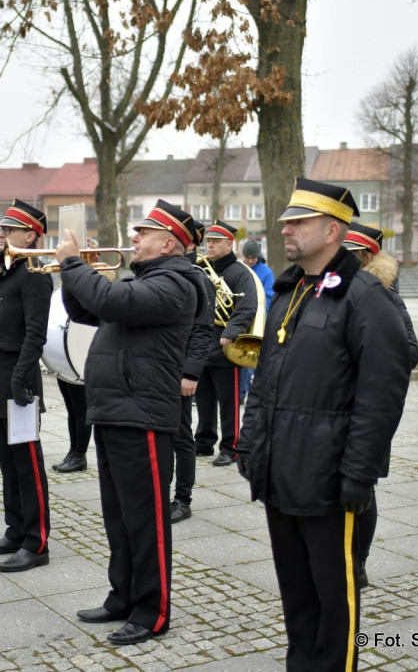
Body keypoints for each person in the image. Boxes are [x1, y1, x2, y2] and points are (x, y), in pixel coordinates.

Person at [235, 177, 411, 672]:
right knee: (296, 594)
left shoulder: (365, 297)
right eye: (286, 221)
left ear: (333, 230)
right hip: (280, 472)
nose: (286, 229)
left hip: (330, 478)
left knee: (337, 600)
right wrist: (252, 446)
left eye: (299, 222)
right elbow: (265, 381)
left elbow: (382, 396)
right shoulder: (292, 290)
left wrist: (359, 474)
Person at [57, 199, 209, 646]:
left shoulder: (179, 282)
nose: (134, 239)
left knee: (146, 520)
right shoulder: (144, 280)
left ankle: (152, 610)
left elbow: (111, 300)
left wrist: (71, 262)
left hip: (142, 412)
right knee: (119, 517)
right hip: (114, 408)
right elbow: (87, 310)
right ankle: (122, 596)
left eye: (143, 233)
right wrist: (76, 271)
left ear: (170, 243)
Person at [0, 199, 53, 572]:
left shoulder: (34, 272)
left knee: (28, 465)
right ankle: (15, 529)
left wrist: (21, 376)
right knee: (7, 462)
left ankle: (37, 543)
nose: (0, 234)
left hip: (19, 379)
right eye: (1, 229)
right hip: (0, 377)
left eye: (9, 230)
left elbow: (36, 332)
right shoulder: (7, 270)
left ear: (31, 234)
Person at [343, 221, 418, 587]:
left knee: (362, 490)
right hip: (328, 410)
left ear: (365, 256)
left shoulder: (384, 295)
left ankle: (358, 562)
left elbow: (409, 351)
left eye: (347, 253)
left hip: (366, 411)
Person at [193, 221, 258, 466]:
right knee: (204, 398)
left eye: (216, 241)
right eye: (208, 241)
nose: (209, 245)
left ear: (229, 243)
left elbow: (247, 306)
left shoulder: (240, 272)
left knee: (228, 402)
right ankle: (204, 441)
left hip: (225, 346)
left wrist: (230, 333)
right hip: (201, 344)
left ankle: (231, 447)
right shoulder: (200, 268)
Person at [170, 221, 214, 523]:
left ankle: (182, 499)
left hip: (180, 369)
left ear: (189, 244)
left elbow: (202, 330)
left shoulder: (198, 277)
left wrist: (192, 373)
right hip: (159, 367)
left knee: (182, 437)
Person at [238, 239, 274, 402]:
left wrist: (259, 314)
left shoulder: (266, 272)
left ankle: (248, 392)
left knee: (251, 356)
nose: (250, 261)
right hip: (241, 316)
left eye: (253, 258)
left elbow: (269, 295)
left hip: (257, 318)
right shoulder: (240, 268)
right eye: (248, 257)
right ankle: (240, 392)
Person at [51, 377, 91, 472]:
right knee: (71, 409)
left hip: (77, 369)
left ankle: (79, 456)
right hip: (65, 368)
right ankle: (73, 452)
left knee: (81, 411)